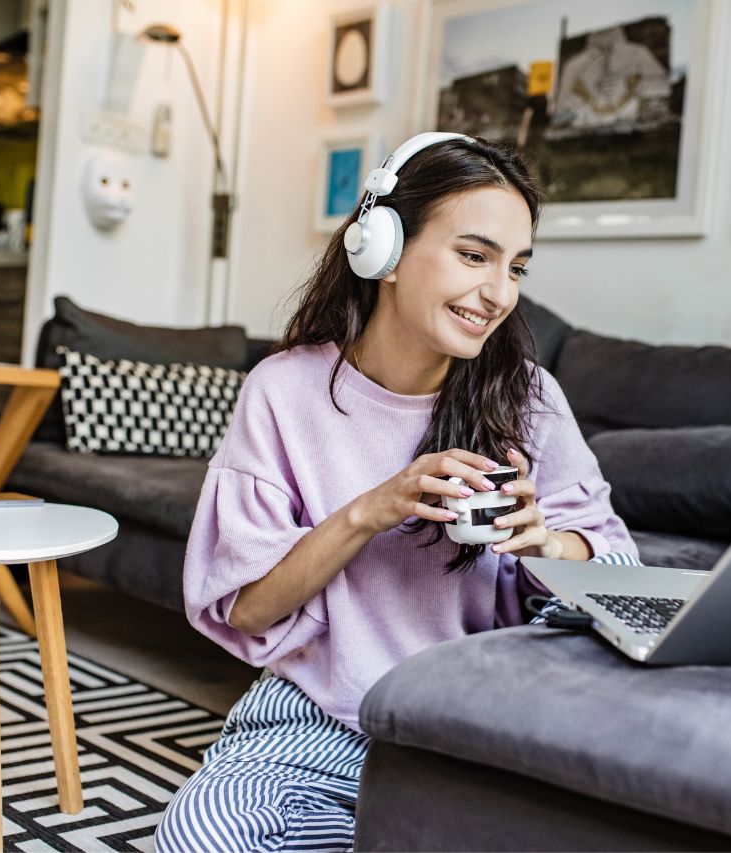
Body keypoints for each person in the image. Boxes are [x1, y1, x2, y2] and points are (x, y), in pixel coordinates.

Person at [155, 132, 636, 852]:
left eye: (517, 268)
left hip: (478, 724)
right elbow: (249, 608)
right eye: (474, 256)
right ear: (381, 248)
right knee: (200, 836)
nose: (499, 293)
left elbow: (620, 580)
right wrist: (368, 511)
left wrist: (545, 542)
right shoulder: (284, 391)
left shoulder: (528, 397)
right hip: (315, 718)